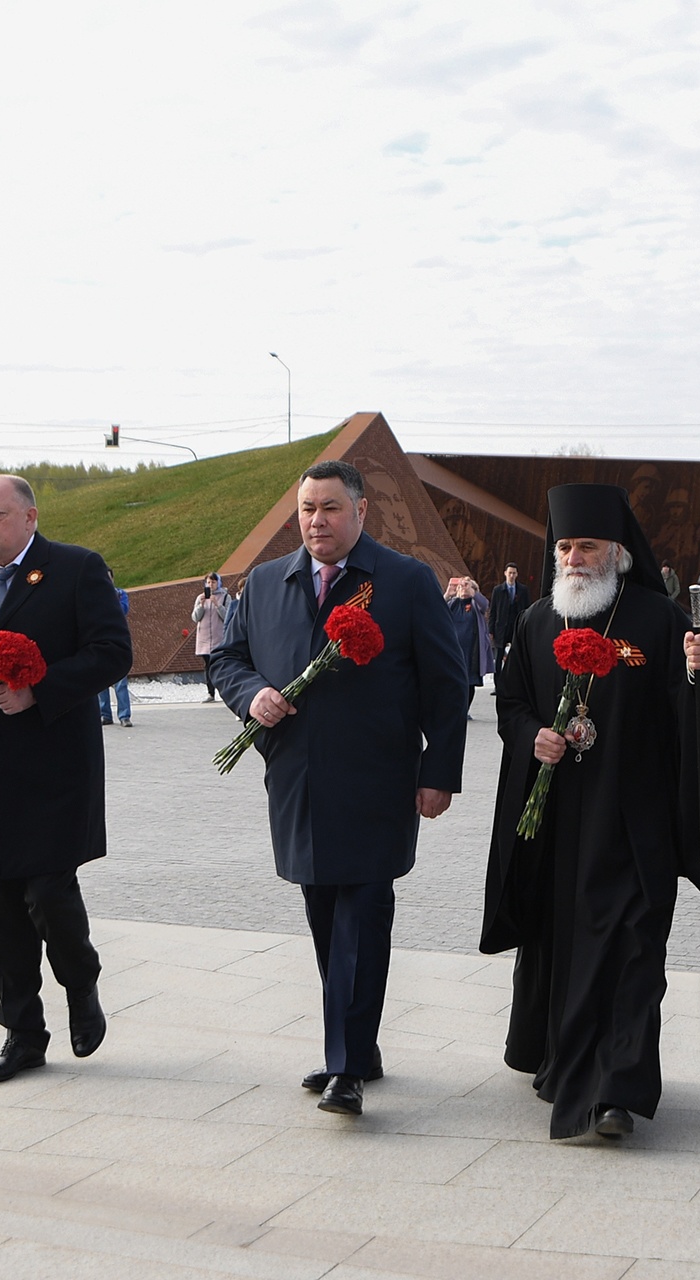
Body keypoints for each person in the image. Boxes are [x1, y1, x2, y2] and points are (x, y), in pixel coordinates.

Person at [482, 483, 700, 1141]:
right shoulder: (539, 620)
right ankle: (570, 1065)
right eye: (564, 546)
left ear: (617, 553)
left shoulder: (657, 619)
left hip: (636, 823)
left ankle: (618, 1091)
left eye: (586, 546)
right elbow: (509, 705)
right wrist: (530, 735)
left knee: (632, 953)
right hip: (559, 826)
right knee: (569, 952)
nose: (572, 557)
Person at [209, 459, 467, 1118]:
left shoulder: (406, 582)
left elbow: (446, 684)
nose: (316, 521)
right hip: (295, 779)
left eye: (329, 508)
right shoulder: (266, 583)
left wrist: (439, 771)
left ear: (360, 512)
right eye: (307, 509)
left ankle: (346, 1065)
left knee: (361, 916)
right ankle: (357, 1043)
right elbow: (228, 661)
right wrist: (252, 696)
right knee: (324, 915)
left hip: (377, 781)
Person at [0, 474, 133, 1084]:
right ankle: (22, 1034)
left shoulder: (76, 569)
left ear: (31, 518)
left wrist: (40, 690)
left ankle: (80, 983)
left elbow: (113, 652)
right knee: (5, 900)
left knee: (47, 890)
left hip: (56, 765)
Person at [446, 576, 493, 711]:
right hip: (455, 650)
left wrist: (473, 593)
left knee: (469, 683)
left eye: (466, 586)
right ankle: (454, 708)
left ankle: (465, 709)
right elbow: (439, 610)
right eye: (460, 587)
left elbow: (485, 605)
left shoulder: (475, 605)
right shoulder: (453, 603)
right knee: (454, 681)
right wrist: (448, 594)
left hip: (472, 651)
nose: (463, 589)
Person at [97, 568, 133, 727]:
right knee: (100, 682)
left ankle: (124, 716)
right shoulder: (94, 595)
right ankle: (105, 714)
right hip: (99, 640)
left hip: (117, 640)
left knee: (120, 681)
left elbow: (123, 610)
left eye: (109, 578)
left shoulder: (120, 594)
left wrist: (111, 598)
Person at [192, 571, 229, 702]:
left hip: (219, 637)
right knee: (208, 666)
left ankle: (225, 692)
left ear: (218, 582)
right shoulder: (200, 598)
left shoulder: (225, 597)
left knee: (220, 665)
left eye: (213, 582)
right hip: (204, 638)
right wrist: (201, 606)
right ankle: (210, 693)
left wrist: (217, 605)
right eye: (208, 582)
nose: (210, 585)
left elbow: (227, 617)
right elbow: (195, 618)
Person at [490, 562, 527, 670]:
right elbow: (493, 611)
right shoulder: (497, 590)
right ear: (505, 573)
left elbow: (526, 608)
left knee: (516, 655)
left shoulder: (523, 590)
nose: (511, 576)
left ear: (517, 574)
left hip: (516, 626)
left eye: (514, 573)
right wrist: (491, 630)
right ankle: (498, 683)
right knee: (498, 657)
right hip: (501, 627)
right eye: (510, 573)